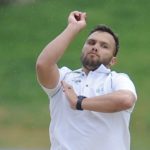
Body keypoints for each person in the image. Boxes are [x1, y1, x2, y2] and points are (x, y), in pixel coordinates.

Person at [36, 11, 137, 150]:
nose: (95, 47)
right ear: (83, 48)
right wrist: (72, 27)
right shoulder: (65, 78)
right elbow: (43, 65)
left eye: (104, 46)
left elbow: (126, 100)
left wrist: (80, 102)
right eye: (91, 42)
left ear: (113, 61)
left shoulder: (117, 80)